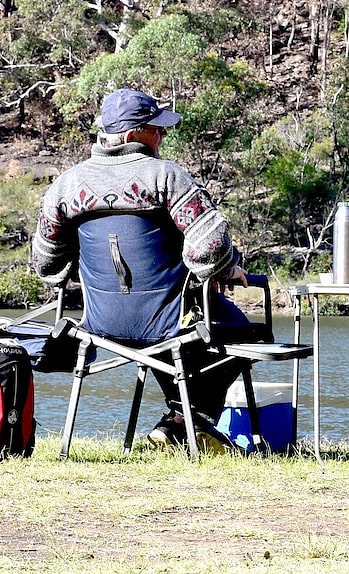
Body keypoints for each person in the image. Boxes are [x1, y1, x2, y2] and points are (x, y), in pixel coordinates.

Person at [32, 88, 249, 450]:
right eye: (156, 128)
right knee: (241, 334)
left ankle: (177, 424)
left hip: (99, 326)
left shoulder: (66, 185)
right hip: (167, 322)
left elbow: (46, 263)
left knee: (179, 339)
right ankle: (186, 422)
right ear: (134, 134)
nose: (162, 135)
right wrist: (222, 272)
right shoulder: (166, 177)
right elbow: (210, 246)